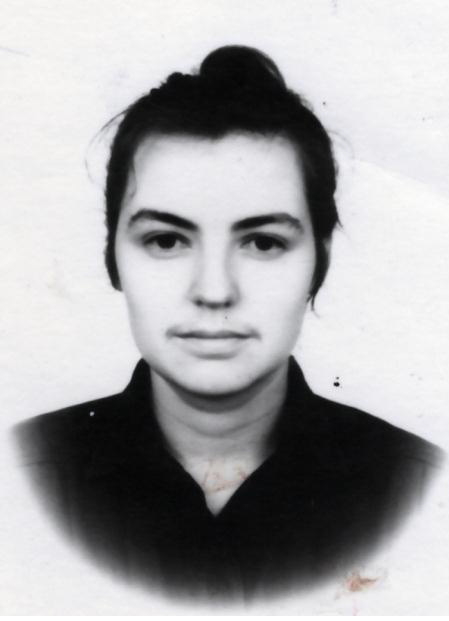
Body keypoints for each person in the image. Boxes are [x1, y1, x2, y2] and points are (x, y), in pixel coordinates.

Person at [13, 45, 444, 601]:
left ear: (320, 262)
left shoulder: (426, 496)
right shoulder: (17, 482)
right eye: (165, 240)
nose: (214, 291)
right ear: (111, 257)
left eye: (263, 242)